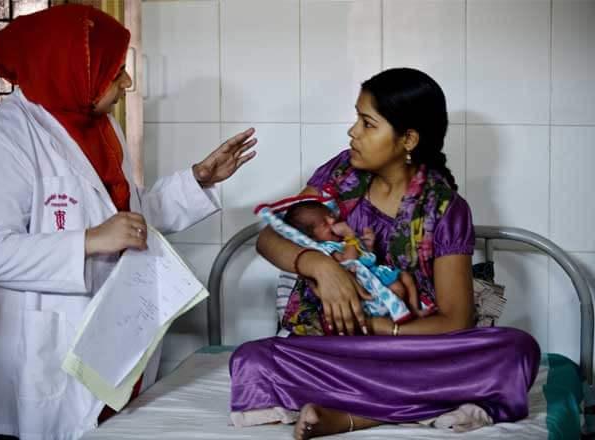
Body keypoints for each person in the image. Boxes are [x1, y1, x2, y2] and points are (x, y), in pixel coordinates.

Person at [0, 5, 257, 440]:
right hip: (44, 357)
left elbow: (127, 221)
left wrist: (197, 180)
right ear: (73, 70)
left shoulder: (101, 129)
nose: (128, 83)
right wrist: (88, 241)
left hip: (113, 342)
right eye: (117, 71)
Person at [229, 68, 540, 439]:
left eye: (367, 123)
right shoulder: (339, 175)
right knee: (251, 359)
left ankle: (352, 416)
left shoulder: (444, 208)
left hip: (411, 349)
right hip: (334, 349)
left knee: (516, 351)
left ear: (407, 139)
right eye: (356, 119)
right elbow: (269, 239)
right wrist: (319, 266)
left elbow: (455, 321)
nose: (352, 132)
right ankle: (417, 405)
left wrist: (377, 327)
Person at [280, 200, 424, 335]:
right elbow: (350, 260)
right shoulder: (325, 249)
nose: (332, 220)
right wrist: (350, 236)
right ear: (312, 237)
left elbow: (365, 258)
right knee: (397, 287)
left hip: (372, 273)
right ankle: (395, 314)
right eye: (324, 223)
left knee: (406, 276)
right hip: (363, 285)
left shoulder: (342, 243)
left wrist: (368, 246)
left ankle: (414, 308)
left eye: (330, 215)